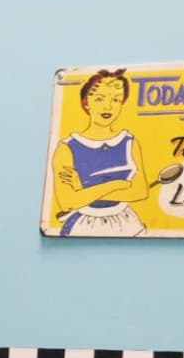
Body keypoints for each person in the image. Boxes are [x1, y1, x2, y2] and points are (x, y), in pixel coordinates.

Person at [46, 68, 145, 236]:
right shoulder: (66, 149)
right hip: (84, 225)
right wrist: (118, 185)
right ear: (86, 102)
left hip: (128, 223)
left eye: (116, 100)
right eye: (99, 99)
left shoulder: (130, 142)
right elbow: (68, 202)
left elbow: (140, 192)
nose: (108, 106)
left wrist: (84, 191)